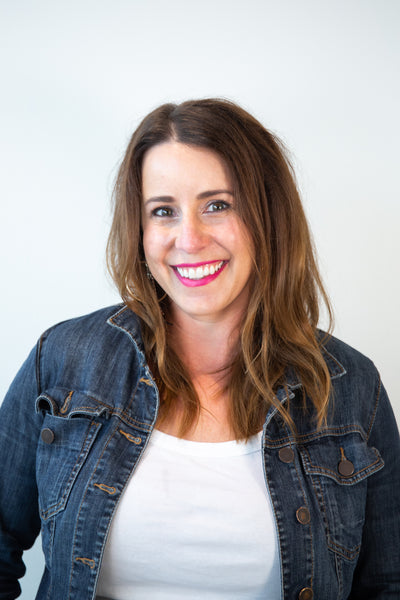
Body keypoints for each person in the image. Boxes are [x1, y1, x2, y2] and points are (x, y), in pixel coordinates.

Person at [0, 99, 399, 600]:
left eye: (218, 205)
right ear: (140, 231)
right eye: (163, 211)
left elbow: (387, 583)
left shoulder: (352, 386)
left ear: (268, 216)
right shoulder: (63, 359)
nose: (189, 239)